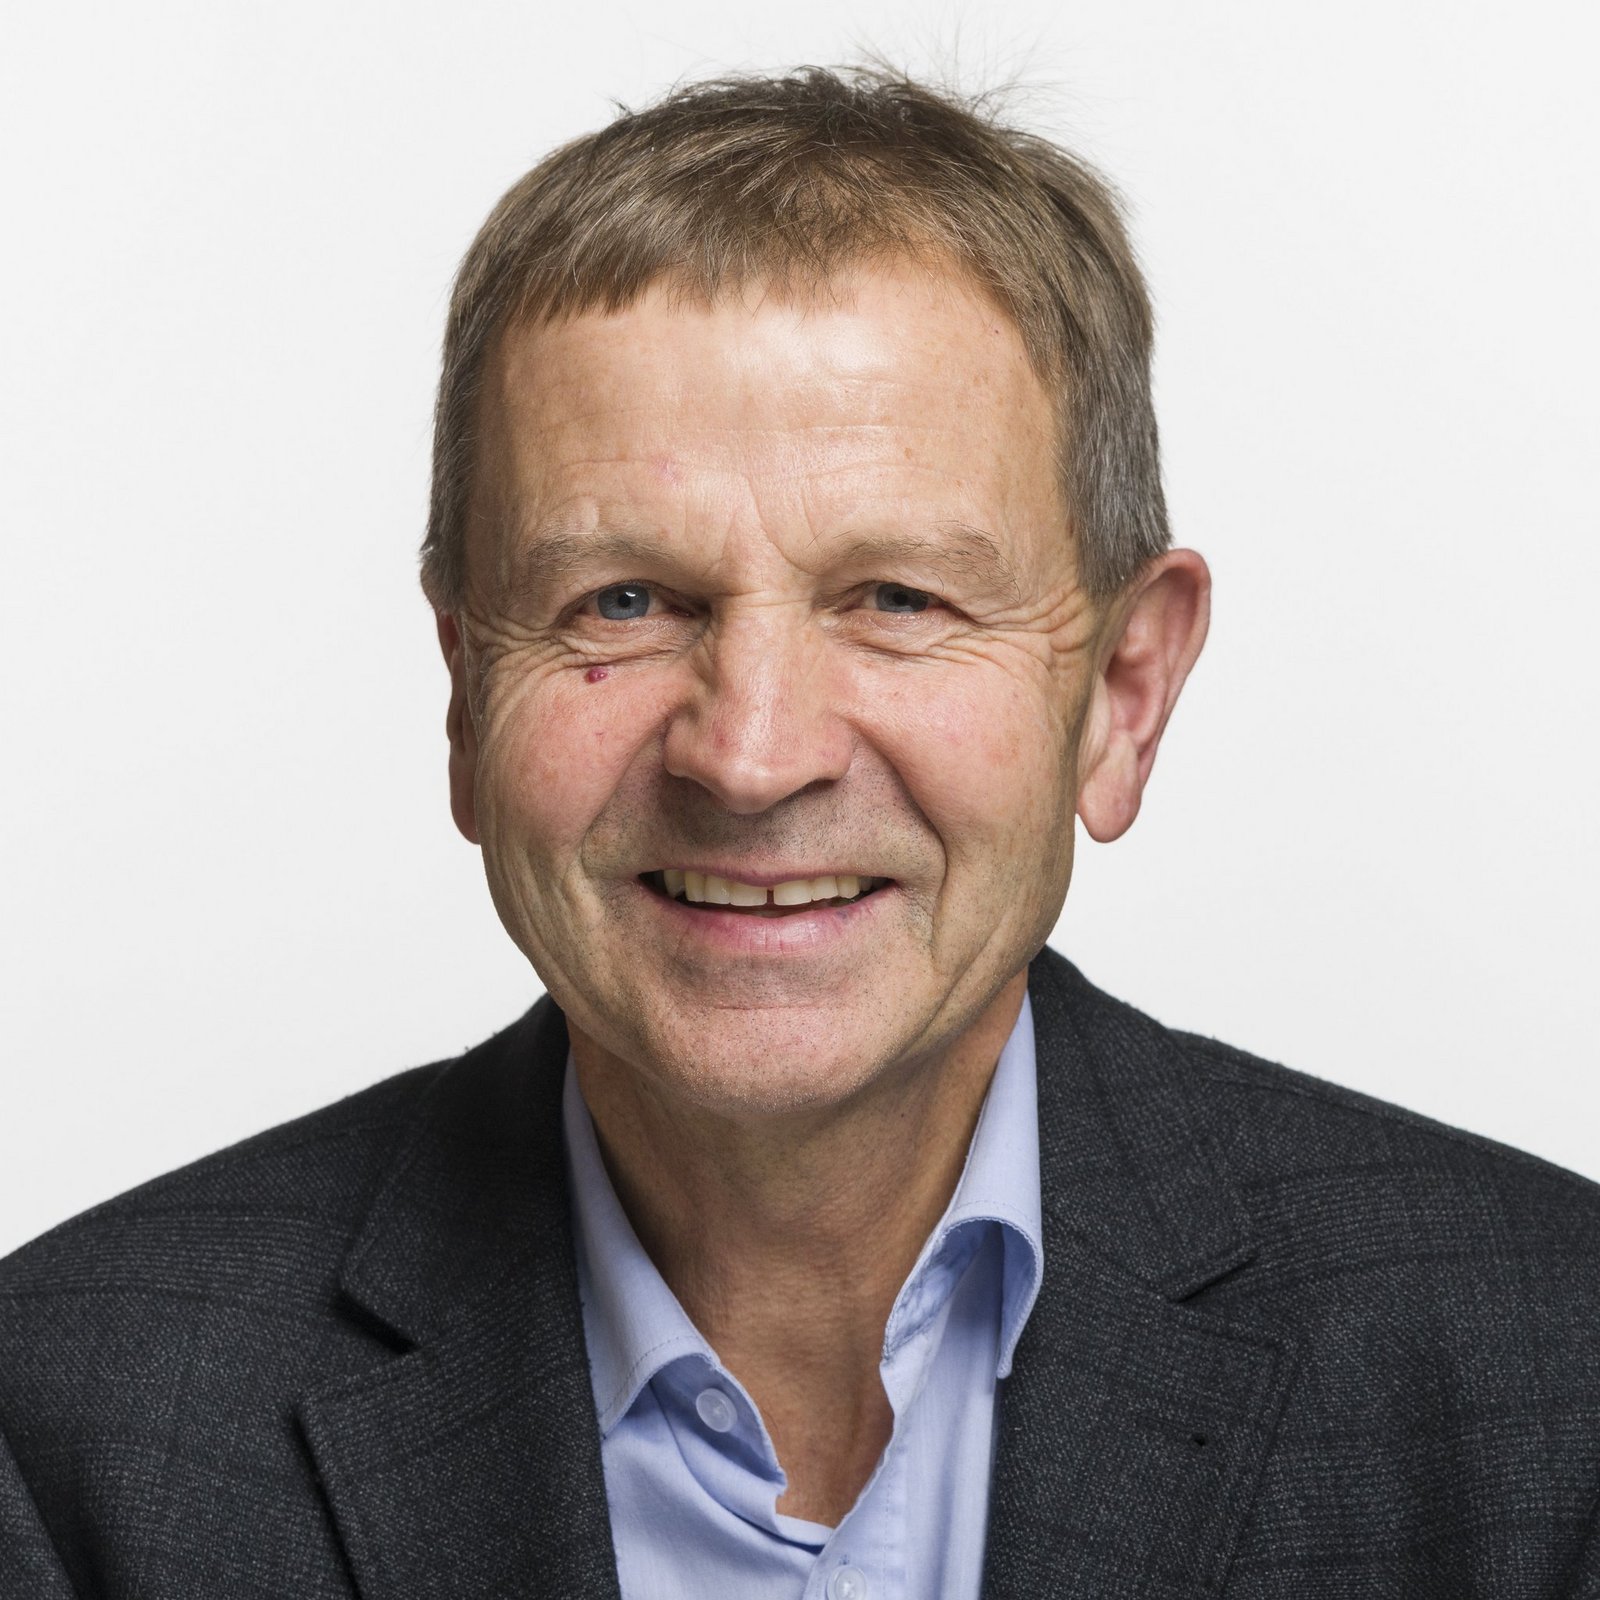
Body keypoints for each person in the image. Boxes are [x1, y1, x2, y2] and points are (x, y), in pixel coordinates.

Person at [2, 66, 1597, 1600]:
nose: (751, 757)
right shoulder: (75, 1427)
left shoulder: (1553, 1379)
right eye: (622, 601)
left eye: (898, 598)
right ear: (467, 694)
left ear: (1123, 692)